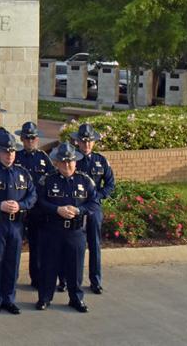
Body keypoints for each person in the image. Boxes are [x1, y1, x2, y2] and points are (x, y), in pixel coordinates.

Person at [35, 142, 97, 313]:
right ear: (57, 162)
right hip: (53, 230)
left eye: (70, 161)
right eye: (63, 162)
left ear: (75, 162)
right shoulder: (47, 180)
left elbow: (94, 203)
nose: (67, 165)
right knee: (49, 266)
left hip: (76, 232)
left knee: (75, 268)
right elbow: (39, 201)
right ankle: (44, 298)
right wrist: (57, 209)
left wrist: (79, 210)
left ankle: (76, 299)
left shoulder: (85, 180)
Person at [0, 132, 36, 315]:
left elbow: (32, 196)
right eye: (5, 152)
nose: (9, 155)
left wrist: (20, 205)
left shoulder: (23, 173)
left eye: (12, 151)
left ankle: (9, 299)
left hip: (17, 225)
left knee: (13, 263)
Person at [72, 123, 114, 295]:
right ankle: (68, 280)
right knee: (74, 246)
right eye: (83, 141)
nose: (87, 145)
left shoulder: (100, 160)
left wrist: (98, 196)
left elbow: (110, 184)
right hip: (77, 207)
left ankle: (95, 281)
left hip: (94, 208)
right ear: (78, 142)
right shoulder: (72, 160)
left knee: (94, 245)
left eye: (89, 141)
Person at [15, 122, 52, 290]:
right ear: (22, 139)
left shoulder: (44, 158)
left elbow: (51, 181)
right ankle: (11, 278)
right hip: (19, 209)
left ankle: (36, 278)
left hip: (37, 210)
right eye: (27, 138)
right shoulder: (16, 157)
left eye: (33, 138)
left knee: (37, 246)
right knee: (15, 245)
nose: (30, 141)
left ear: (37, 139)